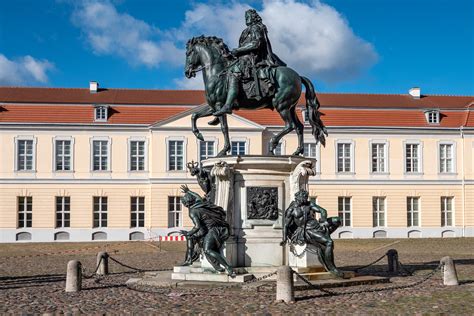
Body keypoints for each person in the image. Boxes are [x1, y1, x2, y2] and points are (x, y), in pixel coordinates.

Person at [213, 9, 286, 117]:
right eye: (245, 17)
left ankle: (228, 105)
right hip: (243, 57)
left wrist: (238, 50)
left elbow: (256, 43)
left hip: (252, 58)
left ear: (253, 17)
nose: (246, 19)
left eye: (248, 17)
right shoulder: (247, 30)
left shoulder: (256, 28)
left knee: (233, 73)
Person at [281, 189, 346, 278]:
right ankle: (332, 268)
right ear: (297, 198)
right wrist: (284, 238)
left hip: (317, 226)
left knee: (336, 220)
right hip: (307, 230)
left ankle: (324, 237)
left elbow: (323, 211)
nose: (305, 199)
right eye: (303, 198)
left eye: (306, 197)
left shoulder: (309, 204)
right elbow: (286, 225)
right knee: (329, 242)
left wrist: (323, 220)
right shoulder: (291, 210)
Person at [179, 185, 235, 277]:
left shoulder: (193, 212)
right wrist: (189, 191)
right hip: (219, 227)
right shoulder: (199, 203)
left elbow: (197, 226)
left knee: (207, 249)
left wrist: (188, 233)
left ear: (186, 204)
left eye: (183, 203)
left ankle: (227, 267)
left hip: (215, 230)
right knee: (192, 238)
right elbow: (197, 196)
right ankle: (189, 259)